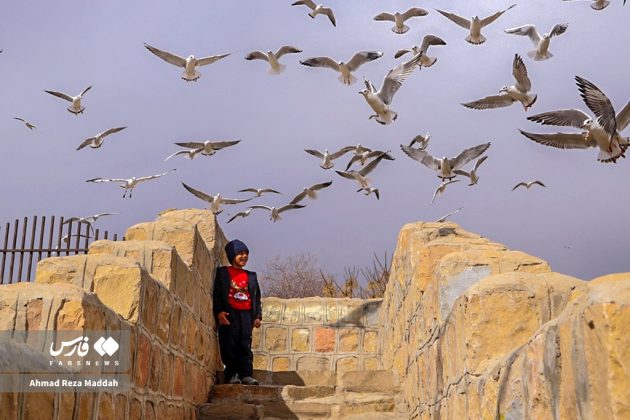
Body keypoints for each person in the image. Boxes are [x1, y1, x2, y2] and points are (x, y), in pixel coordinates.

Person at [213, 239, 262, 385]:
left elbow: (256, 297)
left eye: (246, 253)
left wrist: (257, 316)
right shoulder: (223, 273)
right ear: (232, 255)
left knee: (245, 344)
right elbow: (217, 293)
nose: (244, 256)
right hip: (230, 313)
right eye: (240, 253)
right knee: (229, 344)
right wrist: (219, 312)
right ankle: (232, 374)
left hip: (246, 315)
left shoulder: (251, 276)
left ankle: (246, 374)